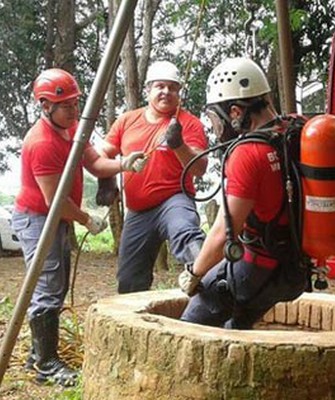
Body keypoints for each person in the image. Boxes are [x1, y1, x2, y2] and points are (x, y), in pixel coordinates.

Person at [12, 68, 146, 386]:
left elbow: (95, 162)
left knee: (55, 286)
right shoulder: (41, 143)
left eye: (75, 103)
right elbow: (53, 201)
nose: (74, 110)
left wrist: (123, 164)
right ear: (46, 106)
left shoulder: (72, 128)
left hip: (54, 217)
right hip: (37, 218)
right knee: (47, 288)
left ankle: (37, 356)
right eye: (67, 105)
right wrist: (87, 219)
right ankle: (46, 364)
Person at [178, 57, 307, 329]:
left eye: (217, 117)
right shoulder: (294, 130)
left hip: (256, 268)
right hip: (295, 270)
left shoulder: (248, 153)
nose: (217, 127)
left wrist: (195, 272)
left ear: (235, 112)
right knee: (237, 328)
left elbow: (226, 228)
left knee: (191, 325)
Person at [101, 60, 208, 294]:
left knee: (185, 231)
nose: (166, 92)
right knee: (129, 279)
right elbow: (101, 155)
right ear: (148, 89)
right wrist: (106, 180)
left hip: (174, 198)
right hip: (138, 210)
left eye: (172, 87)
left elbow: (200, 168)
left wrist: (178, 144)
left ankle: (206, 276)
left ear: (179, 92)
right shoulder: (127, 121)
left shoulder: (189, 123)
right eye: (160, 86)